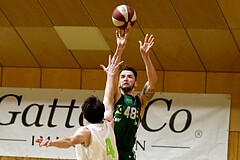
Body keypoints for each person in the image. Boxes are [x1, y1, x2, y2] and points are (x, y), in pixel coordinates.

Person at [35, 55, 123, 160]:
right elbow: (108, 97)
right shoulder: (109, 122)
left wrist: (50, 142)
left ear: (84, 116)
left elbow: (69, 141)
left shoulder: (86, 132)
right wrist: (110, 75)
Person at [101, 30, 158, 160]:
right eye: (123, 77)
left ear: (136, 83)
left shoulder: (140, 101)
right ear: (119, 82)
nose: (126, 79)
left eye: (129, 77)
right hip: (110, 151)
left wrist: (146, 56)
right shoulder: (115, 97)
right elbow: (113, 71)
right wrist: (119, 49)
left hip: (128, 153)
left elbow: (153, 83)